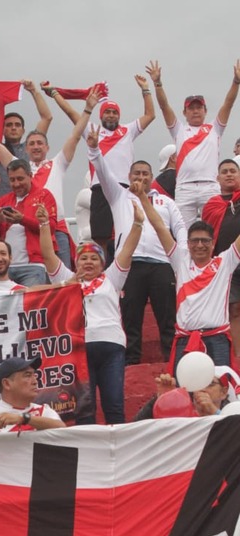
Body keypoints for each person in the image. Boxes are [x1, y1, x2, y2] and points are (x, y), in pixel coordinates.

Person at [36, 198, 146, 424]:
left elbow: (128, 249)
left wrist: (137, 224)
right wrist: (45, 224)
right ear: (76, 263)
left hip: (111, 346)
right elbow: (48, 256)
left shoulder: (112, 278)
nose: (88, 262)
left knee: (113, 404)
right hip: (79, 348)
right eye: (83, 258)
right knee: (85, 408)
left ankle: (118, 453)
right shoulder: (67, 280)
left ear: (102, 263)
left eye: (94, 258)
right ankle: (89, 456)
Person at [86, 126, 187, 365]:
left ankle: (171, 360)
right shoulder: (118, 195)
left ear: (152, 178)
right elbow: (101, 169)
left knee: (167, 317)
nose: (141, 178)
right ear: (129, 177)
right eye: (136, 174)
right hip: (128, 265)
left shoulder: (166, 201)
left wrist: (181, 256)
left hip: (162, 264)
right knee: (131, 317)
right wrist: (93, 148)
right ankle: (131, 362)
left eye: (145, 174)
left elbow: (181, 228)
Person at [0, 87, 103, 269]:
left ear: (47, 147)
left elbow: (75, 136)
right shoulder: (18, 166)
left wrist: (88, 109)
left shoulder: (57, 163)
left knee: (61, 278)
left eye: (40, 143)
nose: (36, 147)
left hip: (55, 228)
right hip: (25, 229)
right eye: (32, 144)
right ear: (26, 149)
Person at [45, 75, 155, 259]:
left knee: (127, 230)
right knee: (101, 236)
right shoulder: (92, 129)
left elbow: (150, 115)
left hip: (125, 189)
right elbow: (71, 113)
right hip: (100, 188)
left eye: (114, 112)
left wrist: (145, 89)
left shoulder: (128, 130)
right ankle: (103, 271)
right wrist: (55, 93)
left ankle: (125, 267)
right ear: (101, 114)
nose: (111, 115)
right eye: (107, 112)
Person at [137, 185, 240, 371]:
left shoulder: (225, 262)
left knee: (221, 393)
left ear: (213, 243)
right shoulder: (180, 259)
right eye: (194, 241)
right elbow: (160, 226)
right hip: (186, 340)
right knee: (184, 395)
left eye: (205, 241)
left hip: (217, 339)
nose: (199, 245)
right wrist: (142, 198)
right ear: (188, 243)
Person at [146, 60, 240, 226]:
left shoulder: (215, 128)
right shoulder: (179, 130)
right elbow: (164, 106)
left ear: (205, 111)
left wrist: (236, 82)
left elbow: (228, 103)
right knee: (182, 233)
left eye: (199, 107)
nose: (196, 111)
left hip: (210, 186)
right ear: (185, 112)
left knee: (214, 230)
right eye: (192, 108)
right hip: (184, 188)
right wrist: (158, 84)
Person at [0, 157, 57, 287]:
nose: (16, 184)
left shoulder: (44, 196)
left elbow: (51, 228)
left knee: (31, 303)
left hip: (34, 266)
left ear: (30, 176)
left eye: (20, 179)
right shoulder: (3, 201)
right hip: (6, 267)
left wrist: (22, 220)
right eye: (12, 180)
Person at [0, 81, 53, 205]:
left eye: (17, 125)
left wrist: (34, 91)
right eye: (9, 125)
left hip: (26, 205)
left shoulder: (31, 146)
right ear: (2, 129)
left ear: (23, 130)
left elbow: (47, 117)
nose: (13, 128)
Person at [202, 159, 240, 357]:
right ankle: (238, 356)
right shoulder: (212, 205)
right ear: (218, 178)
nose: (229, 174)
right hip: (227, 265)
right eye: (224, 171)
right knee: (233, 309)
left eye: (233, 171)